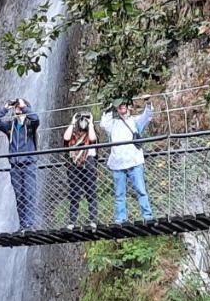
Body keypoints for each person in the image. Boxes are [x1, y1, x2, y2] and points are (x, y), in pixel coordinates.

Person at [100, 95, 154, 223]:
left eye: (123, 105)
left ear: (128, 107)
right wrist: (110, 106)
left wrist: (148, 102)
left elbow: (147, 116)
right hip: (118, 164)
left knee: (141, 190)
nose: (122, 107)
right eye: (119, 106)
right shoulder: (112, 123)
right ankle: (120, 219)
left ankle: (147, 216)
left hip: (134, 161)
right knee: (119, 195)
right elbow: (103, 123)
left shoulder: (135, 121)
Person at [0, 98, 40, 231]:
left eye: (19, 107)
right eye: (16, 107)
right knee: (20, 196)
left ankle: (30, 224)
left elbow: (36, 119)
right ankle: (23, 225)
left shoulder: (30, 124)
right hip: (15, 167)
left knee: (29, 194)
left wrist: (24, 107)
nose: (17, 109)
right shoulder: (10, 126)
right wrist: (6, 107)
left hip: (29, 164)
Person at [62, 111, 99, 227]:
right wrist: (73, 122)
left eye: (85, 119)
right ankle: (72, 222)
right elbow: (66, 137)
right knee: (75, 194)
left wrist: (91, 123)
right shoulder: (73, 134)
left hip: (89, 163)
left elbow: (93, 139)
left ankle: (93, 220)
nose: (83, 121)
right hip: (73, 165)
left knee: (91, 192)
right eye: (81, 119)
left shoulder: (91, 133)